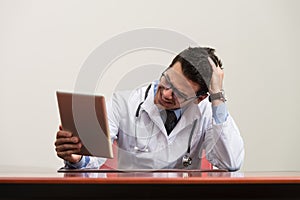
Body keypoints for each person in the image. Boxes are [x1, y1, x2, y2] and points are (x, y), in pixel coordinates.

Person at [55, 46, 244, 171]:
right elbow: (93, 159)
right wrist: (76, 158)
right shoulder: (124, 104)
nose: (167, 93)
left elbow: (231, 163)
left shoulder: (206, 113)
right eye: (167, 80)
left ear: (200, 98)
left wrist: (217, 95)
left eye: (180, 93)